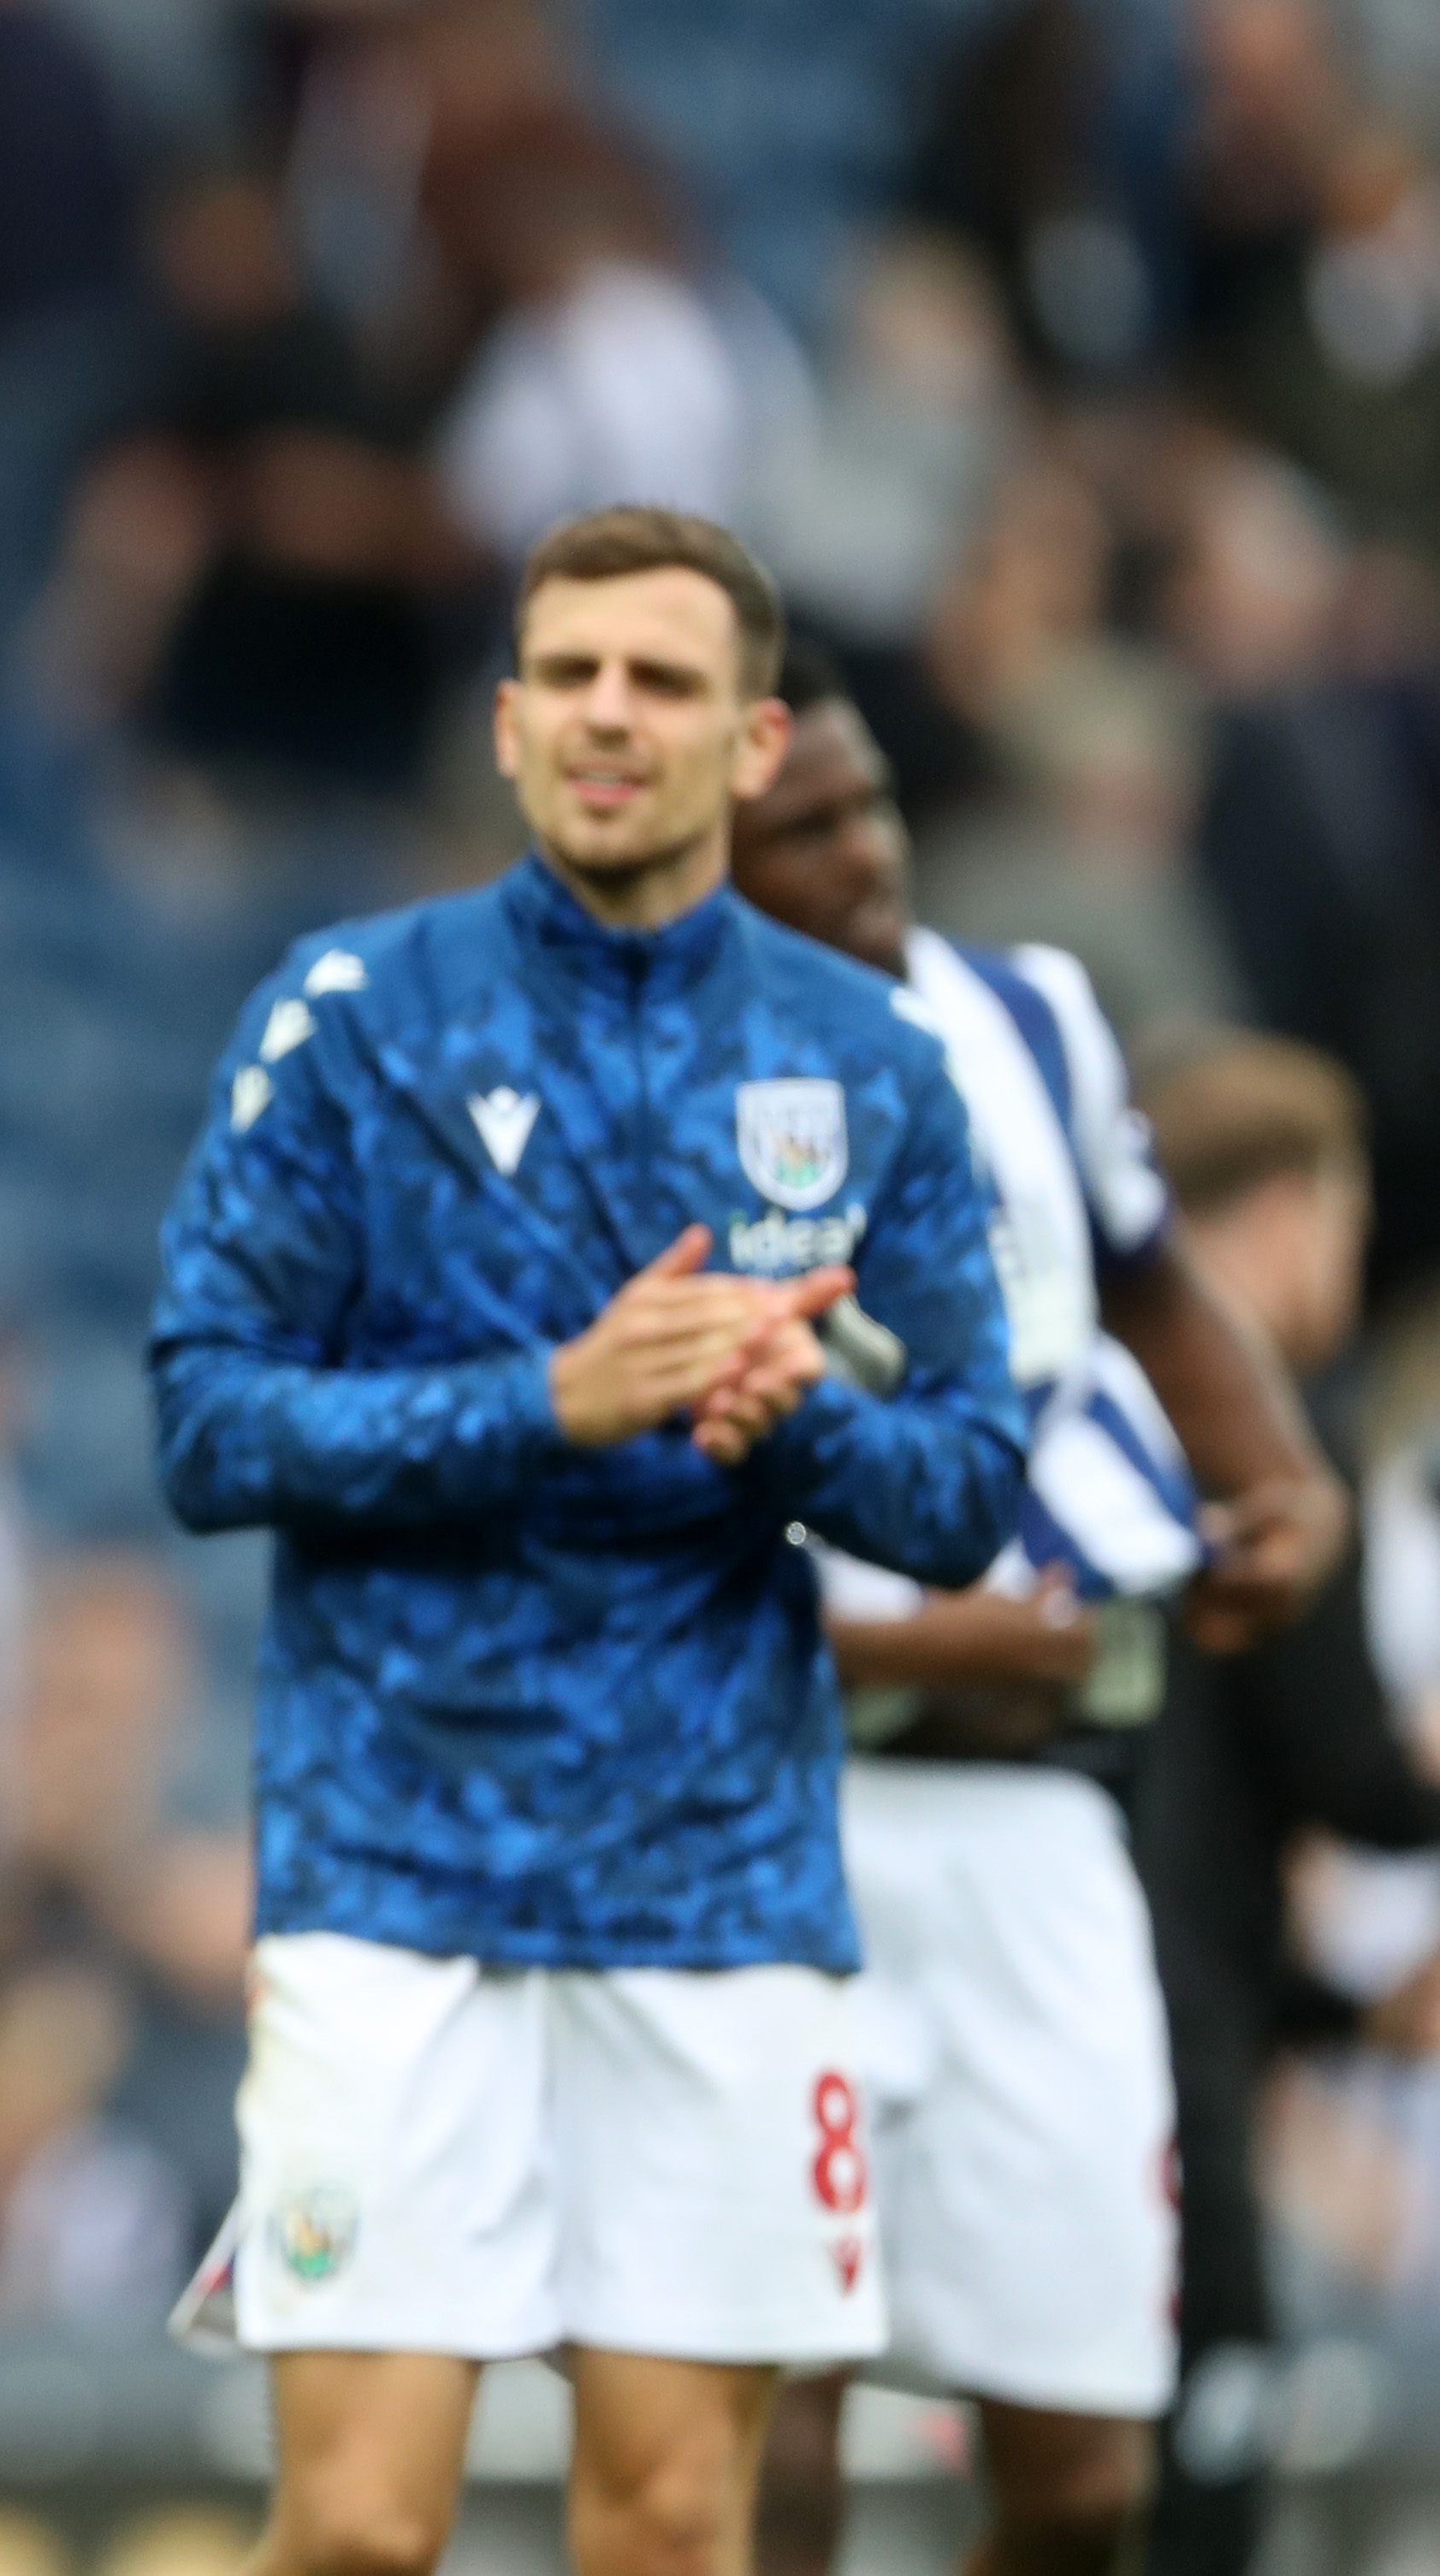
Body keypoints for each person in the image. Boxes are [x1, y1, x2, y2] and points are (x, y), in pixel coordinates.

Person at [147, 506, 1030, 2576]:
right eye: (568, 676)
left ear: (751, 741)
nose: (604, 716)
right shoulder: (351, 1012)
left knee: (664, 2537)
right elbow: (202, 1422)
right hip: (391, 1869)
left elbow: (968, 1489)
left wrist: (794, 1426)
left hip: (715, 1886)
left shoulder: (867, 1065)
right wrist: (550, 1402)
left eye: (658, 681)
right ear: (504, 719)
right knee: (357, 2536)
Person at [726, 646, 1348, 2576]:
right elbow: (603, 1529)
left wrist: (1282, 1483)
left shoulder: (1029, 1017)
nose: (860, 855)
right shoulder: (638, 1073)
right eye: (802, 829)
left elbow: (1154, 1282)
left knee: (1083, 2467)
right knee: (768, 2432)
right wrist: (920, 1644)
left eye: (868, 809)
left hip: (1051, 1821)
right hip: (780, 1822)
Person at [1119, 1038, 1440, 2576]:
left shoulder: (1084, 1409)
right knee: (1198, 2469)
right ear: (1285, 1212)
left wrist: (1327, 2006)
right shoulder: (1265, 1437)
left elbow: (1213, 1803)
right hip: (1168, 2051)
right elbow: (1354, 1779)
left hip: (1090, 1990)